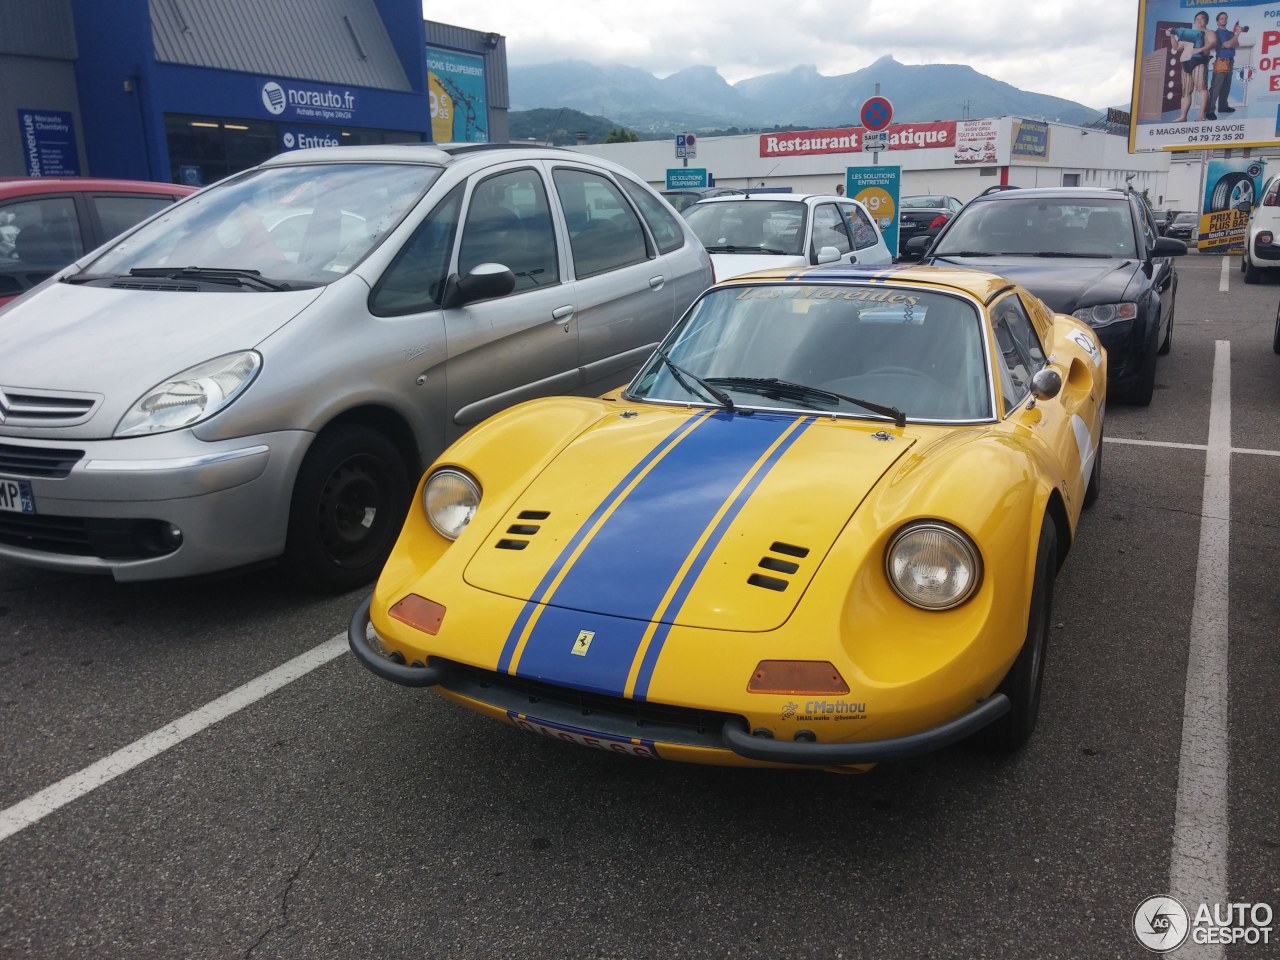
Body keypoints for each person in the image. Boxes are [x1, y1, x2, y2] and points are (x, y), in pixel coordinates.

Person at [1169, 12, 1217, 122]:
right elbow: (1176, 47)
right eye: (1197, 19)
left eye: (1202, 19)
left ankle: (1202, 115)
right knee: (1186, 91)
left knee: (1201, 88)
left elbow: (1213, 43)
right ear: (1194, 21)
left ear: (1207, 21)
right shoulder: (1188, 34)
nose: (1199, 21)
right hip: (1185, 63)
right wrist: (1172, 35)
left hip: (1199, 61)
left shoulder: (1209, 33)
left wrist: (1200, 49)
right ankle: (1183, 116)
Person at [1207, 12, 1244, 119]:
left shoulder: (1229, 33)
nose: (1224, 20)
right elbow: (1227, 44)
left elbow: (1236, 44)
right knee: (1216, 87)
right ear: (1218, 21)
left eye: (1225, 18)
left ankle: (1223, 107)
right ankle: (1209, 111)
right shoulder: (1217, 33)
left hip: (1230, 61)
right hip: (1221, 61)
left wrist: (1233, 38)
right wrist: (1237, 34)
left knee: (1226, 86)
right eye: (1221, 18)